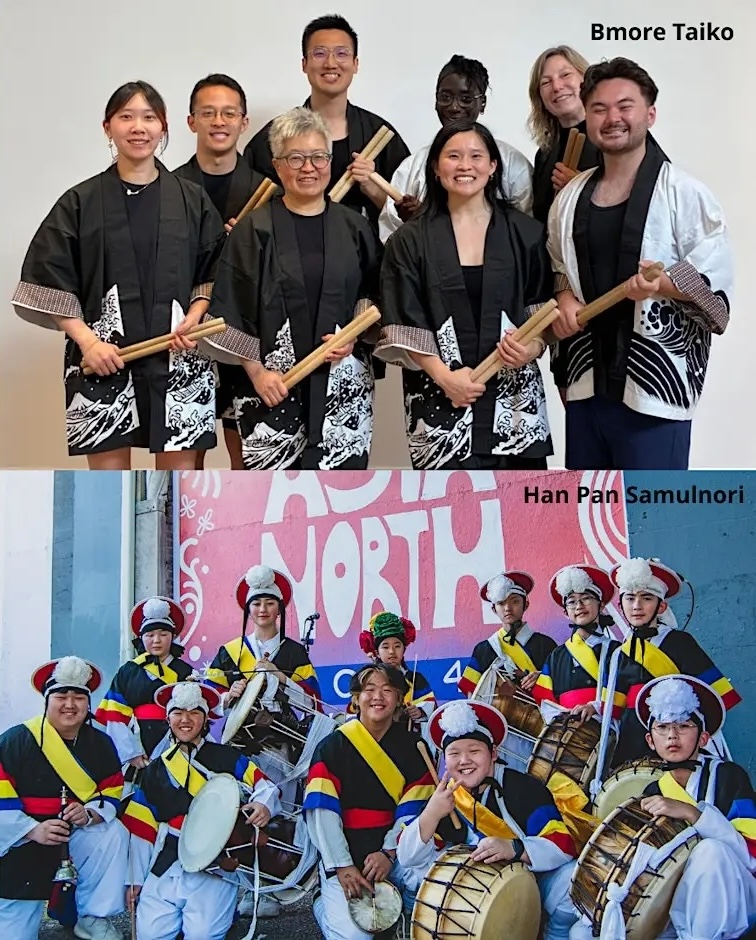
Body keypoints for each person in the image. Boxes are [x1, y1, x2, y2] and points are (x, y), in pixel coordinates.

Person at [12, 80, 226, 469]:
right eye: (126, 117)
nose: (138, 127)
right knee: (109, 488)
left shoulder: (192, 199)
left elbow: (212, 273)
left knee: (178, 489)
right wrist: (88, 343)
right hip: (102, 357)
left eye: (148, 117)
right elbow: (50, 277)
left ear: (164, 127)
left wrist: (193, 321)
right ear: (107, 127)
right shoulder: (81, 201)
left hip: (179, 356)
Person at [547, 57, 732, 470]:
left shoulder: (685, 193)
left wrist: (663, 284)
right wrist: (562, 296)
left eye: (624, 106)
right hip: (586, 386)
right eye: (599, 108)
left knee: (654, 521)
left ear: (650, 114)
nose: (612, 118)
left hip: (654, 390)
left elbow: (717, 302)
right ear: (588, 118)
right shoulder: (569, 197)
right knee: (589, 522)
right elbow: (558, 263)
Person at [206, 106, 382, 470]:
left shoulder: (354, 227)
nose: (309, 167)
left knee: (339, 500)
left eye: (319, 157)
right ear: (277, 164)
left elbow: (374, 291)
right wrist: (257, 373)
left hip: (342, 388)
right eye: (296, 158)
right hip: (270, 386)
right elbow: (230, 309)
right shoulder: (252, 230)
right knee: (272, 504)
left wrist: (353, 334)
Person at [376, 120, 555, 470]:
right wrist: (446, 379)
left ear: (492, 167)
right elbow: (404, 321)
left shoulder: (526, 234)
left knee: (521, 518)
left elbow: (542, 314)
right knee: (446, 519)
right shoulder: (408, 241)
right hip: (439, 403)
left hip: (515, 409)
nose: (464, 165)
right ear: (435, 167)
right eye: (453, 156)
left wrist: (531, 348)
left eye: (476, 156)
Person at [397, 700, 591, 940]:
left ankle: (555, 933)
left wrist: (514, 848)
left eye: (474, 751)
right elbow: (408, 858)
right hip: (478, 893)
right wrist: (431, 814)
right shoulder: (445, 797)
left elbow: (561, 845)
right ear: (444, 759)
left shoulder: (523, 787)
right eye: (454, 753)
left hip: (534, 882)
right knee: (418, 871)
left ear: (494, 753)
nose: (464, 760)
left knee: (570, 878)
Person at [121, 681, 281, 940]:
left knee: (203, 935)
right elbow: (142, 830)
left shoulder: (227, 757)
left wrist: (264, 804)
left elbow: (265, 785)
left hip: (215, 861)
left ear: (206, 718)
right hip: (167, 860)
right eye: (178, 712)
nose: (185, 720)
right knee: (151, 935)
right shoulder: (153, 770)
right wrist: (135, 880)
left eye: (194, 712)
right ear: (168, 717)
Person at [174, 73, 267, 470]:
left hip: (244, 333)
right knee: (184, 451)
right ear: (191, 120)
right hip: (187, 333)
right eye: (208, 112)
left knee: (244, 454)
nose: (219, 121)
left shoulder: (268, 190)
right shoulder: (169, 186)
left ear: (244, 122)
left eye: (229, 113)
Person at [303, 663, 435, 940]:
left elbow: (415, 806)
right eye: (370, 689)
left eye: (388, 690)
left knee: (435, 892)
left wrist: (389, 852)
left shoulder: (414, 746)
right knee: (355, 936)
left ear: (399, 699)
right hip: (346, 852)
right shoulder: (332, 747)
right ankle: (323, 906)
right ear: (355, 699)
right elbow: (322, 811)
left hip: (395, 851)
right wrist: (342, 865)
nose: (378, 697)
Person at [0, 657, 128, 940]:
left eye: (78, 697)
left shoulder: (101, 743)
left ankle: (93, 915)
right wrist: (33, 830)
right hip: (21, 840)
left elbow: (112, 791)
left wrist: (90, 814)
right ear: (47, 700)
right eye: (62, 696)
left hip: (75, 834)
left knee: (112, 832)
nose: (70, 704)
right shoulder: (15, 741)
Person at [244, 14, 409, 233]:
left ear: (355, 63)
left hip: (361, 259)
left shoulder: (379, 134)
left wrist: (373, 189)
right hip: (289, 256)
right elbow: (256, 211)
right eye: (319, 53)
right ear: (304, 64)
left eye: (342, 53)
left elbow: (409, 216)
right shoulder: (275, 135)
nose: (331, 63)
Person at [636, 675, 756, 939]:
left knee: (711, 852)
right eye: (663, 727)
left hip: (738, 896)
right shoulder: (652, 792)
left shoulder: (729, 776)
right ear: (650, 740)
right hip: (679, 903)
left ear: (703, 738)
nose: (672, 736)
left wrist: (693, 814)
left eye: (684, 726)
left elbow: (751, 854)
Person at [603, 557, 741, 769]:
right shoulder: (618, 654)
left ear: (661, 606)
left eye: (646, 598)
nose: (637, 606)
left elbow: (715, 697)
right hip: (632, 747)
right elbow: (613, 711)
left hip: (676, 742)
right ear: (621, 605)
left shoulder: (680, 643)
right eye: (630, 598)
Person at [379, 54, 532, 242]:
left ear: (482, 103)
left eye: (466, 99)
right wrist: (416, 226)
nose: (454, 107)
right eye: (446, 97)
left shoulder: (512, 164)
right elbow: (389, 234)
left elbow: (527, 230)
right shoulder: (413, 167)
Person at [95, 596, 193, 772]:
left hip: (177, 738)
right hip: (136, 738)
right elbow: (115, 716)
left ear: (173, 636)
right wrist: (131, 753)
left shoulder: (185, 671)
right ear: (141, 637)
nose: (157, 640)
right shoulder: (128, 671)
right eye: (150, 635)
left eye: (163, 634)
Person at [533, 565, 623, 724]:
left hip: (609, 730)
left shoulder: (618, 651)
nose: (579, 606)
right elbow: (544, 701)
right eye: (572, 602)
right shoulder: (556, 656)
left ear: (601, 606)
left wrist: (595, 708)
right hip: (568, 735)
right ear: (566, 613)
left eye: (586, 598)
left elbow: (625, 694)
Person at [527, 45, 598, 226]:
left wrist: (581, 189)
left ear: (585, 79)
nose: (557, 86)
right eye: (546, 82)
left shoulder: (613, 139)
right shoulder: (545, 154)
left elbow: (646, 196)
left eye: (565, 75)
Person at [459, 570, 557, 695]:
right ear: (494, 609)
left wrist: (542, 677)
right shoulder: (483, 650)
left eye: (515, 601)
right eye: (501, 603)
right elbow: (471, 692)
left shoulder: (545, 644)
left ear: (526, 604)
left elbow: (563, 685)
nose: (508, 608)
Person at [358, 611, 437, 729]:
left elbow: (431, 707)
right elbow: (355, 709)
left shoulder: (414, 679)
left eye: (397, 646)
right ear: (377, 652)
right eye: (385, 647)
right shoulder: (365, 679)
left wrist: (419, 712)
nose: (391, 652)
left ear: (404, 649)